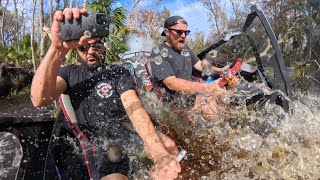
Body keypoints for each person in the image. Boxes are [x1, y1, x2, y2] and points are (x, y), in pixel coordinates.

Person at [30, 8, 181, 180]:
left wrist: (159, 153)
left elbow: (134, 108)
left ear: (105, 48)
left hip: (123, 131)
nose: (91, 51)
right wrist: (57, 49)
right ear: (77, 49)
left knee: (169, 146)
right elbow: (39, 99)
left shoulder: (118, 72)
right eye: (84, 47)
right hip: (98, 141)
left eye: (97, 46)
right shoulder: (69, 73)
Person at [149, 16, 238, 115]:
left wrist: (220, 70)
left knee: (225, 97)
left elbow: (200, 65)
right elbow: (171, 83)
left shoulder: (185, 49)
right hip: (177, 104)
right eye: (179, 32)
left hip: (191, 96)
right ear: (167, 31)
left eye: (186, 32)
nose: (183, 36)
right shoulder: (158, 52)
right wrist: (207, 87)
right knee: (209, 109)